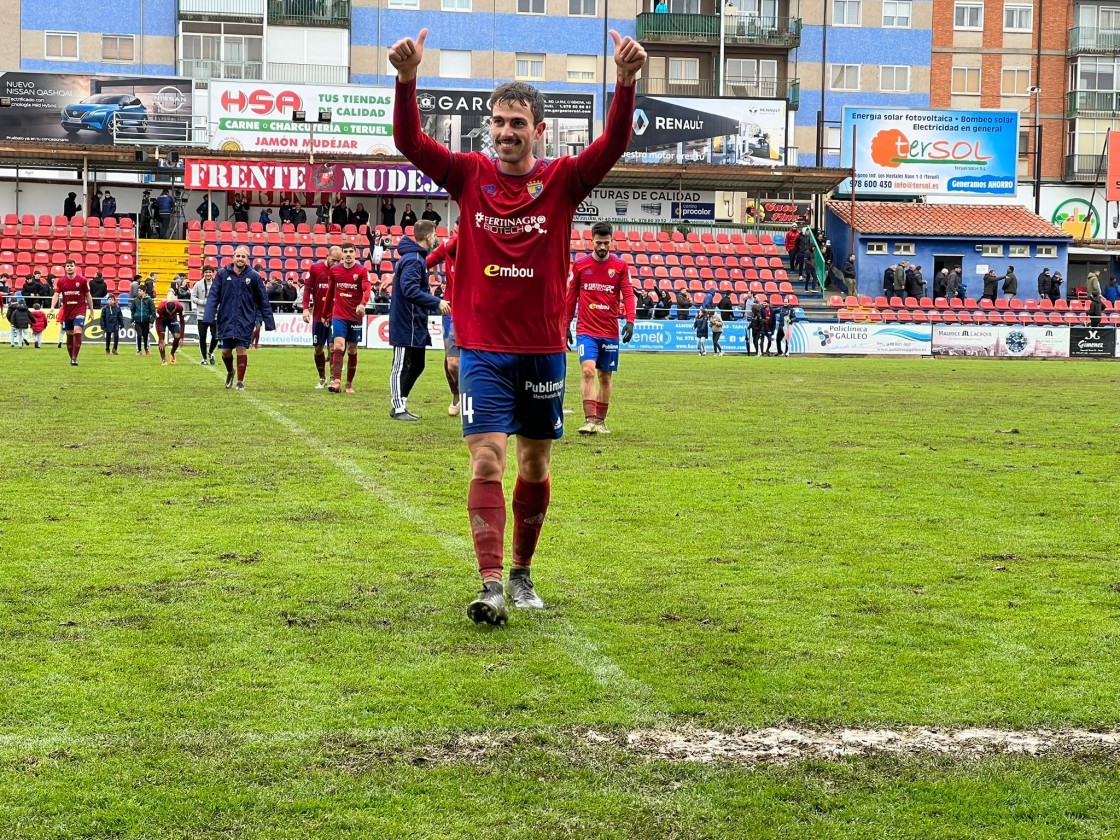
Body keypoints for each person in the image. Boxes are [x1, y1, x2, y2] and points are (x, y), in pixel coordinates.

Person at [390, 24, 645, 625]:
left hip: (542, 351)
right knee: (487, 462)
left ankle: (522, 573)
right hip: (482, 349)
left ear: (538, 130)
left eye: (517, 124)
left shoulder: (561, 181)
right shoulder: (468, 175)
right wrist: (406, 81)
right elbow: (409, 142)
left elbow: (611, 145)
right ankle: (489, 584)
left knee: (534, 465)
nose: (506, 133)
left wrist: (625, 84)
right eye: (499, 123)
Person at [565, 222, 636, 435]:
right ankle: (589, 420)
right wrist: (566, 325)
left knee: (605, 376)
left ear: (611, 241)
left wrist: (631, 321)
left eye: (606, 243)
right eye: (599, 243)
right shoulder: (580, 265)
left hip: (610, 331)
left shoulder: (621, 267)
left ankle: (600, 421)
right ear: (592, 241)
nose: (602, 247)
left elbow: (629, 294)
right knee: (587, 370)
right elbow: (570, 298)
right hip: (586, 330)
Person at [388, 220, 451, 420]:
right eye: (435, 235)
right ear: (428, 236)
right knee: (401, 365)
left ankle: (401, 404)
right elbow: (410, 290)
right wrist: (436, 302)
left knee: (417, 364)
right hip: (405, 320)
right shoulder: (414, 260)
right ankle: (397, 407)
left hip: (415, 321)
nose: (436, 239)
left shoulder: (416, 259)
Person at [203, 246, 275, 390]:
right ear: (233, 257)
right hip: (226, 318)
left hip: (246, 319)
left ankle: (240, 381)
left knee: (241, 348)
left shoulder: (254, 276)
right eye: (238, 256)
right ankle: (230, 371)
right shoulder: (223, 274)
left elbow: (263, 300)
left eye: (243, 257)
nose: (240, 259)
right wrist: (208, 317)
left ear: (247, 259)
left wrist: (268, 322)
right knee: (225, 352)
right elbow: (213, 296)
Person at [325, 242, 371, 394]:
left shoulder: (362, 271)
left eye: (351, 251)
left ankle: (349, 384)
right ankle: (336, 381)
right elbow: (330, 292)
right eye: (346, 252)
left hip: (355, 315)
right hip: (339, 314)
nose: (349, 254)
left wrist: (363, 304)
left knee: (352, 349)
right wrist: (326, 313)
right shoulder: (334, 270)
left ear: (356, 253)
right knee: (338, 346)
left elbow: (367, 290)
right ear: (342, 255)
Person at [426, 227, 462, 415]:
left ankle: (473, 397)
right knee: (451, 362)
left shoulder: (482, 247)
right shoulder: (449, 245)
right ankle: (457, 395)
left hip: (476, 312)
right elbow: (424, 263)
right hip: (450, 311)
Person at [303, 245, 343, 388]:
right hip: (318, 316)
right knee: (318, 348)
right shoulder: (315, 269)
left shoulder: (341, 271)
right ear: (327, 256)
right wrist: (306, 308)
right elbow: (307, 289)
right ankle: (322, 378)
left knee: (333, 347)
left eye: (339, 261)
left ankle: (334, 379)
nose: (337, 263)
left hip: (335, 315)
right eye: (334, 260)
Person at [51, 258, 94, 367]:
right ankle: (72, 357)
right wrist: (52, 306)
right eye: (67, 266)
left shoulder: (82, 280)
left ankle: (75, 358)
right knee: (69, 334)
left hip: (80, 309)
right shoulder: (61, 281)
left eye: (71, 265)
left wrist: (92, 311)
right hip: (67, 310)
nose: (69, 267)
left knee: (77, 331)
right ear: (65, 268)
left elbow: (88, 296)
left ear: (75, 267)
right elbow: (56, 294)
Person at [156, 289, 186, 365]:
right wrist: (160, 338)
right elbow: (158, 323)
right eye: (168, 312)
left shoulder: (179, 307)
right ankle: (163, 359)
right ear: (165, 308)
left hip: (172, 320)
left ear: (175, 308)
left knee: (177, 336)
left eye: (172, 312)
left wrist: (182, 337)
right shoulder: (160, 307)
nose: (170, 313)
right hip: (162, 320)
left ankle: (172, 353)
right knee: (162, 338)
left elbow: (182, 322)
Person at [131, 286, 155, 356]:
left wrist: (151, 322)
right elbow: (132, 310)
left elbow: (153, 311)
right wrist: (132, 320)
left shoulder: (149, 300)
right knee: (139, 335)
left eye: (140, 290)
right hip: (138, 321)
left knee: (145, 336)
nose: (139, 292)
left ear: (144, 291)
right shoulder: (136, 300)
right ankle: (139, 350)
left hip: (146, 321)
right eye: (138, 290)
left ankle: (146, 348)